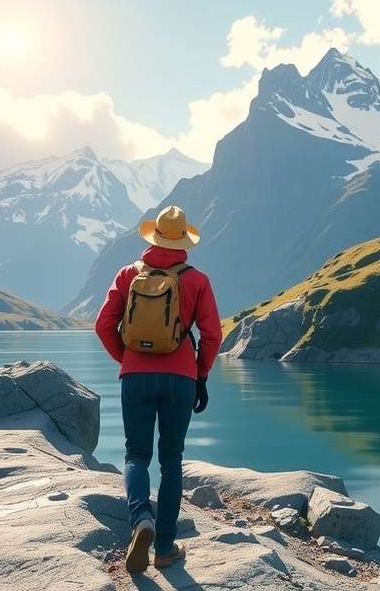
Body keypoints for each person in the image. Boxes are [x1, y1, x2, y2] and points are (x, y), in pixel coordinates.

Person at [94, 205, 222, 572]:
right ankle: (165, 548)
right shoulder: (197, 280)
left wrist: (127, 360)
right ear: (184, 241)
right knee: (171, 460)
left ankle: (141, 521)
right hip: (181, 377)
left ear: (152, 237)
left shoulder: (127, 274)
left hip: (135, 376)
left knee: (136, 455)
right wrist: (201, 375)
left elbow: (104, 325)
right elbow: (212, 334)